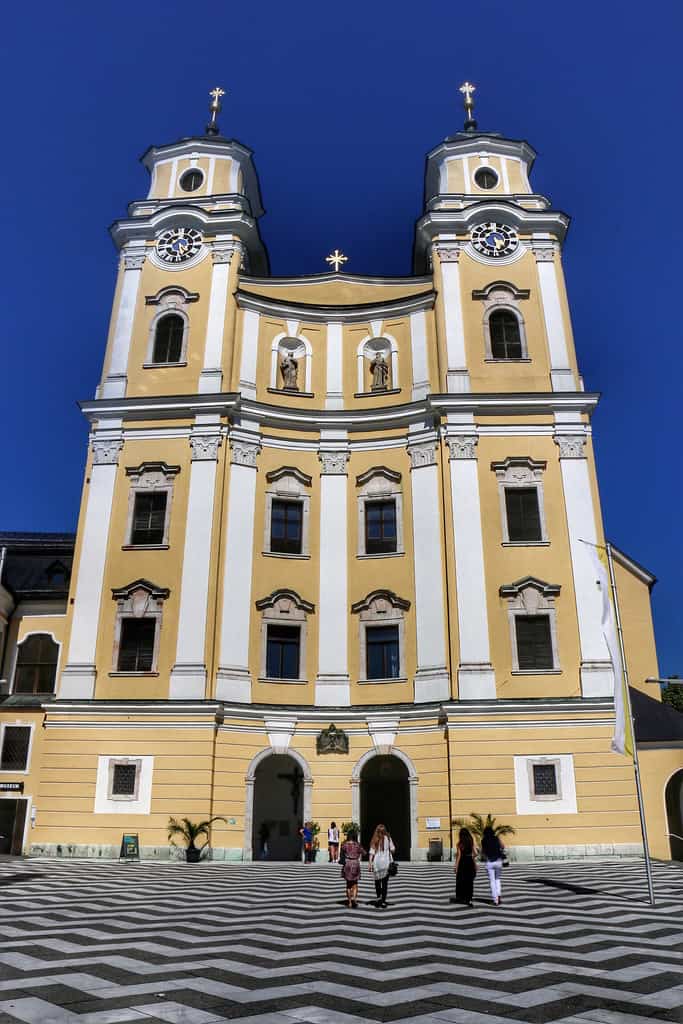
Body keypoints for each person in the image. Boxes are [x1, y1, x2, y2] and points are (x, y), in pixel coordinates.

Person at [369, 824, 395, 908]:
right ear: (385, 831)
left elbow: (371, 852)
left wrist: (370, 863)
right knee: (384, 883)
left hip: (377, 863)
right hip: (386, 863)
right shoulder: (388, 838)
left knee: (377, 882)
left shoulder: (374, 839)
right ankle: (383, 900)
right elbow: (393, 849)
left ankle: (378, 896)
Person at [340, 828, 365, 908]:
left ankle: (349, 902)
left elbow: (342, 852)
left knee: (348, 884)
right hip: (355, 864)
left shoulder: (344, 844)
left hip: (347, 864)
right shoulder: (357, 845)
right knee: (355, 883)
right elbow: (364, 853)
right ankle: (354, 899)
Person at [481, 825, 505, 906]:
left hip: (490, 862)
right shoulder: (496, 838)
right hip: (498, 861)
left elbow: (483, 852)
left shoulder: (483, 840)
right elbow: (503, 846)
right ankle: (499, 896)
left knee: (492, 881)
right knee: (497, 879)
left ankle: (495, 900)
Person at [453, 827, 477, 906]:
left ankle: (461, 897)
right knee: (469, 881)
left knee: (461, 880)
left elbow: (459, 855)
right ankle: (469, 898)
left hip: (462, 863)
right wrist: (475, 863)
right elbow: (475, 853)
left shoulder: (459, 844)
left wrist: (456, 866)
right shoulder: (471, 842)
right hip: (470, 862)